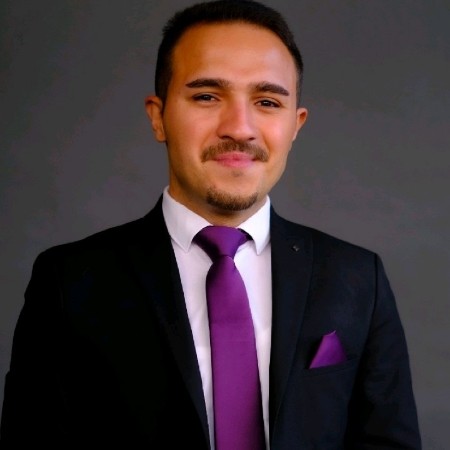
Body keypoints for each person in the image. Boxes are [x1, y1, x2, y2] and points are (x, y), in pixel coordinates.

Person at [0, 0, 421, 448]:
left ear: (295, 124)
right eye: (206, 96)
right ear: (158, 117)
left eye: (267, 101)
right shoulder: (69, 283)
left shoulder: (358, 278)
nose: (239, 128)